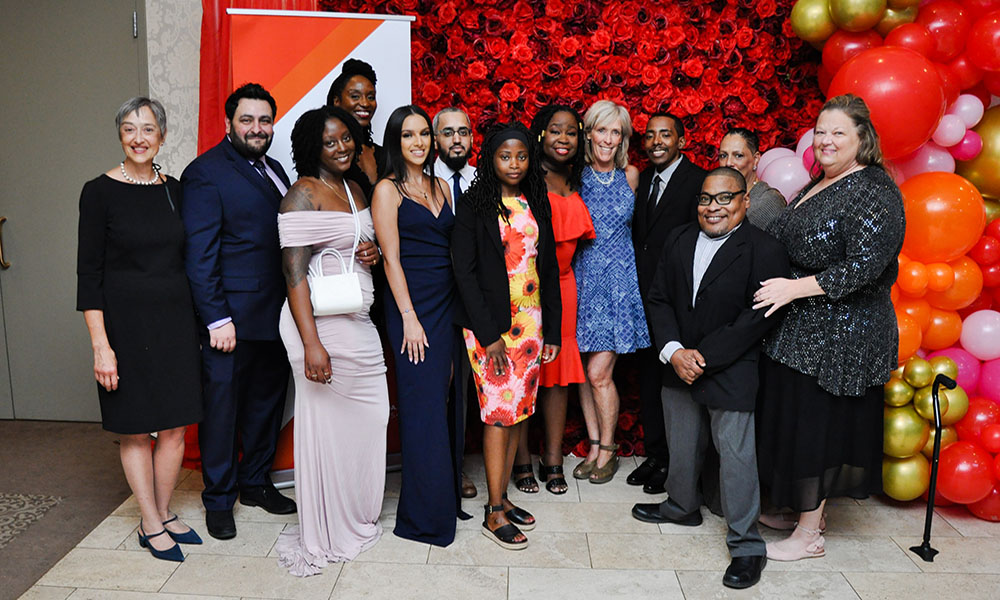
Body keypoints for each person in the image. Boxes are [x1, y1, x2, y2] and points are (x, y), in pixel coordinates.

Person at [183, 84, 378, 540]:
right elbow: (200, 255)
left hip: (279, 313)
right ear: (228, 122)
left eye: (264, 120)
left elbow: (303, 241)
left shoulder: (272, 168)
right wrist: (216, 319)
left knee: (267, 407)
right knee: (223, 410)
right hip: (231, 319)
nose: (257, 128)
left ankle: (254, 483)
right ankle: (219, 500)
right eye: (247, 120)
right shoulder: (206, 173)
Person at [752, 94, 905, 561]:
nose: (826, 140)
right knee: (795, 421)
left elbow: (867, 266)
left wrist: (794, 289)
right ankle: (800, 508)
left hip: (843, 333)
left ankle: (809, 535)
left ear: (863, 139)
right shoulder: (817, 184)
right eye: (820, 131)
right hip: (801, 331)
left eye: (839, 132)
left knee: (817, 428)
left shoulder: (873, 188)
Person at [631, 167, 790, 589]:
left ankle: (746, 544)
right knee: (681, 443)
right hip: (677, 360)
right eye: (706, 199)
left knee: (736, 457)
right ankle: (681, 506)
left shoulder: (765, 249)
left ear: (745, 202)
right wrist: (673, 351)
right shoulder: (679, 238)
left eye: (724, 198)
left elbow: (757, 317)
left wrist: (704, 356)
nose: (713, 207)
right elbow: (659, 298)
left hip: (730, 365)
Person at [77, 97, 203, 562]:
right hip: (124, 329)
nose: (139, 137)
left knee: (174, 425)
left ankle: (164, 511)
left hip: (173, 323)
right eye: (129, 129)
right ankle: (149, 523)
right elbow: (88, 276)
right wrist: (100, 347)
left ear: (163, 136)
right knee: (134, 430)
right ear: (119, 136)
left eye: (148, 129)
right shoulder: (99, 192)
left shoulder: (175, 189)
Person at [272, 106, 388, 575]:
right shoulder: (303, 193)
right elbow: (293, 274)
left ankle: (356, 513)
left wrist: (372, 252)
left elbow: (358, 246)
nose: (341, 148)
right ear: (312, 148)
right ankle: (327, 526)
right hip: (317, 326)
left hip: (357, 320)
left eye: (346, 139)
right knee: (325, 428)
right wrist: (312, 343)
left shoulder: (355, 186)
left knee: (371, 417)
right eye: (330, 142)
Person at [452, 123, 561, 550]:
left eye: (520, 156)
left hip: (530, 325)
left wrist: (549, 328)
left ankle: (504, 497)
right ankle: (493, 511)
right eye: (504, 156)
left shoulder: (536, 200)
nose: (513, 164)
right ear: (490, 160)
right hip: (492, 329)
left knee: (518, 410)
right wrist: (489, 334)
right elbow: (464, 272)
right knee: (499, 413)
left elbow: (547, 268)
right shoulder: (474, 205)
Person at [372, 105, 468, 546]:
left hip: (447, 304)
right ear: (396, 141)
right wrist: (409, 318)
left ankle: (441, 498)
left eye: (424, 135)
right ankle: (424, 517)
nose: (418, 142)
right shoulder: (387, 191)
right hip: (411, 307)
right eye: (408, 135)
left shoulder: (442, 186)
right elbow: (390, 259)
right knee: (422, 404)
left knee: (446, 398)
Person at [509, 105, 594, 496]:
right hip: (526, 287)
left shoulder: (578, 179)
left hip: (564, 285)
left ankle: (553, 458)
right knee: (525, 374)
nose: (563, 139)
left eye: (571, 133)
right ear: (540, 134)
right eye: (555, 131)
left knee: (557, 377)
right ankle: (522, 458)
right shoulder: (526, 177)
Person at [628, 112, 706, 494]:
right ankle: (657, 454)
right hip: (643, 298)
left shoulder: (698, 182)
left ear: (681, 140)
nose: (656, 141)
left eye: (665, 135)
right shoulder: (642, 180)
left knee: (676, 385)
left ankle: (677, 462)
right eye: (650, 135)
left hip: (678, 299)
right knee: (649, 380)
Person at [573, 100, 649, 484]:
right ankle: (592, 444)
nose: (608, 138)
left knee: (598, 372)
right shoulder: (576, 176)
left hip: (619, 284)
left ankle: (609, 449)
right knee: (583, 374)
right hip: (583, 280)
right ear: (589, 132)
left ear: (623, 138)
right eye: (601, 130)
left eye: (615, 132)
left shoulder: (631, 175)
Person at [432, 106, 479, 499]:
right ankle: (442, 468)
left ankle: (459, 466)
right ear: (435, 140)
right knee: (440, 387)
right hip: (434, 299)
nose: (456, 140)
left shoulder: (483, 180)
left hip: (475, 302)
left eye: (463, 132)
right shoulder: (422, 182)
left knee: (465, 389)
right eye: (448, 133)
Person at [327, 59, 380, 190]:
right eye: (355, 96)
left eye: (371, 97)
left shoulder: (384, 153)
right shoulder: (327, 153)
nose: (365, 103)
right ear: (336, 101)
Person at [717, 127, 786, 229]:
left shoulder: (769, 201)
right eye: (723, 156)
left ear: (756, 159)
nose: (728, 163)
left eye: (738, 155)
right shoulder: (715, 196)